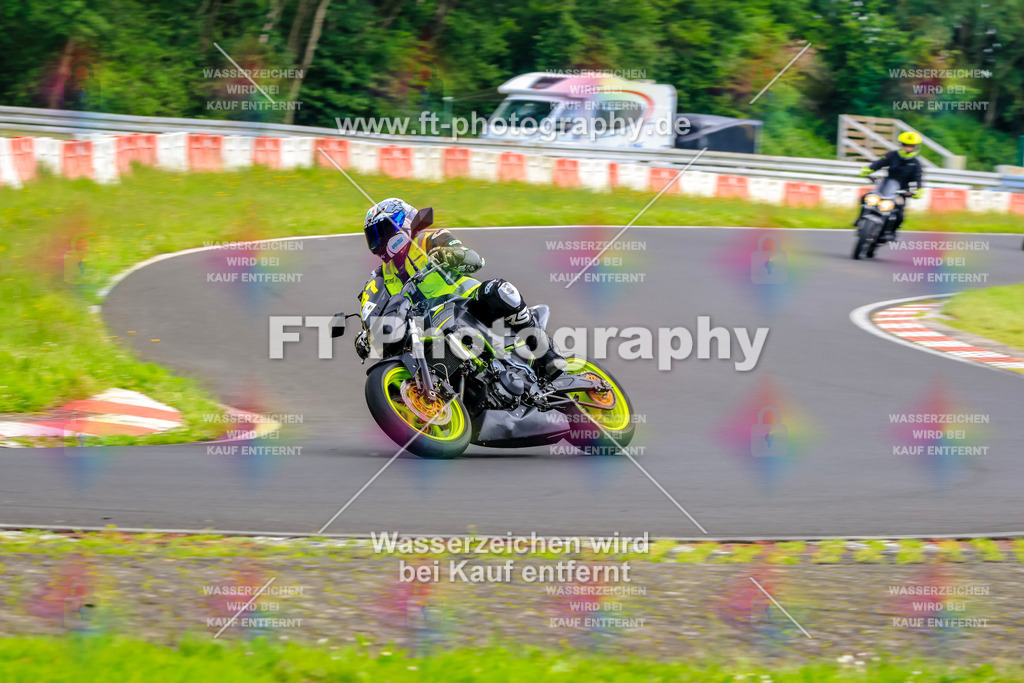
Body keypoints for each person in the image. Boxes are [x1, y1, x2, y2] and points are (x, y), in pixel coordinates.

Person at [354, 197, 566, 379]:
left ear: (404, 222)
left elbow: (474, 260)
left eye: (383, 231)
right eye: (373, 236)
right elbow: (371, 306)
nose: (380, 240)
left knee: (499, 289)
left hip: (468, 304)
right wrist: (366, 335)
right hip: (425, 327)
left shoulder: (430, 240)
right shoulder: (380, 277)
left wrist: (449, 255)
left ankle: (548, 355)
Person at [858, 131, 926, 240]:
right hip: (885, 186)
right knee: (866, 198)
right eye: (905, 145)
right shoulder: (892, 155)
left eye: (911, 146)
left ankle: (891, 232)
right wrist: (868, 169)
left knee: (900, 214)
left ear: (915, 147)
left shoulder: (916, 164)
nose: (907, 148)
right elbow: (879, 163)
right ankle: (860, 219)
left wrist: (918, 190)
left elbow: (918, 178)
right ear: (901, 145)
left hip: (901, 192)